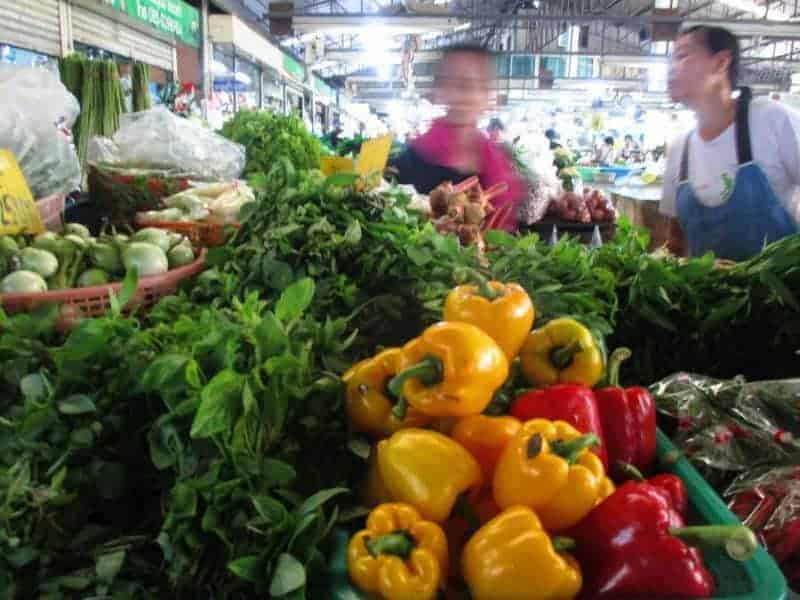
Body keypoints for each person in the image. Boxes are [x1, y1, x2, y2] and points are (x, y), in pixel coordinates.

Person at [660, 26, 800, 260]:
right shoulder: (679, 150)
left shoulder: (772, 120)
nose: (671, 69)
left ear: (721, 62)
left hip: (782, 293)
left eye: (682, 56)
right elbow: (676, 243)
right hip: (710, 294)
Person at [391, 44, 526, 231]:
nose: (465, 94)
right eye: (455, 82)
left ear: (487, 95)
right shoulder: (409, 162)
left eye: (476, 85)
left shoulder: (499, 168)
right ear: (441, 89)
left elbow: (505, 233)